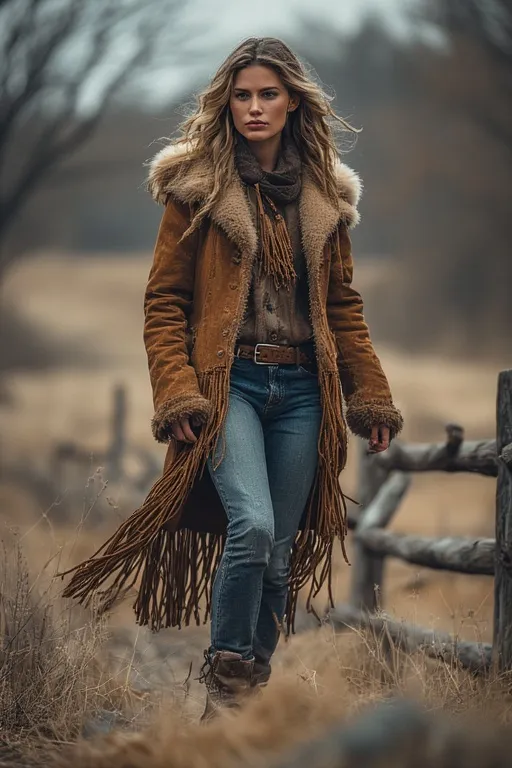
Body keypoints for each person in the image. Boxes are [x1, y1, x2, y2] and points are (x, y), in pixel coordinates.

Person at [62, 37, 403, 721]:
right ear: (227, 102)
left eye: (268, 94)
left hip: (305, 390)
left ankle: (250, 694)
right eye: (243, 95)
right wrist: (176, 391)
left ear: (292, 101)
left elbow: (341, 306)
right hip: (230, 389)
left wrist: (372, 396)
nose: (254, 107)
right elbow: (164, 304)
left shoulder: (325, 197)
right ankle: (224, 681)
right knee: (249, 526)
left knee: (278, 556)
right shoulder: (196, 191)